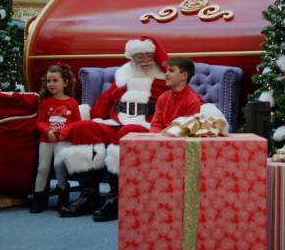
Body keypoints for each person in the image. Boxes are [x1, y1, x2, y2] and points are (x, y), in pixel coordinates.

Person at [56, 37, 169, 221]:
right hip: (116, 124)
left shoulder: (165, 80)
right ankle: (89, 196)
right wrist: (89, 117)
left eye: (149, 56)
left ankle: (116, 198)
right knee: (81, 128)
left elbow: (188, 100)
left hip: (146, 127)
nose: (145, 60)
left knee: (128, 132)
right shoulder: (121, 80)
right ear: (132, 59)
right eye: (140, 56)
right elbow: (102, 105)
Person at [30, 64, 81, 213]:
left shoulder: (72, 103)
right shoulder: (45, 102)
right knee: (43, 168)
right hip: (47, 140)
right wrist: (48, 131)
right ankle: (38, 198)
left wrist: (65, 131)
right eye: (48, 81)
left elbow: (77, 122)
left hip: (63, 140)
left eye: (55, 80)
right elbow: (40, 121)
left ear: (65, 82)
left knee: (59, 166)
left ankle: (63, 194)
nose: (51, 84)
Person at [146, 57, 204, 133]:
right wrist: (156, 139)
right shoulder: (162, 97)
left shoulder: (193, 101)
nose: (166, 74)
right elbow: (155, 125)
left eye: (171, 71)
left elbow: (185, 131)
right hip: (159, 138)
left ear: (184, 76)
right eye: (166, 71)